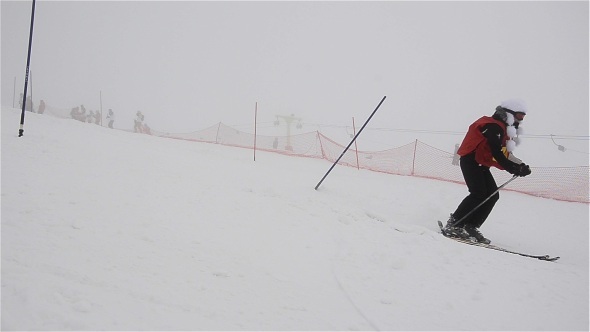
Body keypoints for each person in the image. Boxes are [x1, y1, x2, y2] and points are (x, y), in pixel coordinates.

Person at [443, 99, 532, 244]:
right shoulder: (493, 127)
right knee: (478, 193)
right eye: (519, 116)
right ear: (508, 114)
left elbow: (505, 154)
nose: (519, 120)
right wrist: (513, 168)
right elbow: (496, 153)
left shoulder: (502, 130)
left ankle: (470, 225)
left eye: (522, 117)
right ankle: (454, 224)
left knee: (492, 195)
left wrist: (520, 165)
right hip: (471, 161)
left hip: (480, 164)